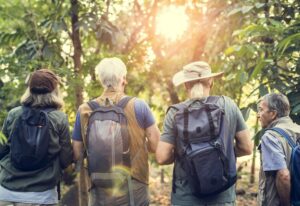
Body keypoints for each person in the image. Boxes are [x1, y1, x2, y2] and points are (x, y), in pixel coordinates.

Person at [156, 61, 252, 205]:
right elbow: (246, 147)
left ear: (186, 85)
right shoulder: (228, 105)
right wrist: (221, 152)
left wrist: (188, 155)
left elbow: (162, 157)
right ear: (211, 81)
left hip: (186, 198)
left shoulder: (175, 113)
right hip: (222, 196)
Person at [72, 57, 160, 206]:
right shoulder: (139, 105)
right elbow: (156, 144)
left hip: (99, 187)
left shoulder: (84, 110)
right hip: (134, 186)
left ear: (101, 80)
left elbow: (77, 153)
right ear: (123, 79)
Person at [0, 69, 73, 206]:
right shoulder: (59, 118)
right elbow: (65, 160)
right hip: (42, 195)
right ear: (55, 91)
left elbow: (1, 150)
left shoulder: (13, 114)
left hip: (7, 192)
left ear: (29, 90)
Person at [257, 93, 300, 206]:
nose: (258, 115)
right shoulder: (298, 129)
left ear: (273, 114)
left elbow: (283, 175)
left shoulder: (270, 137)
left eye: (261, 110)